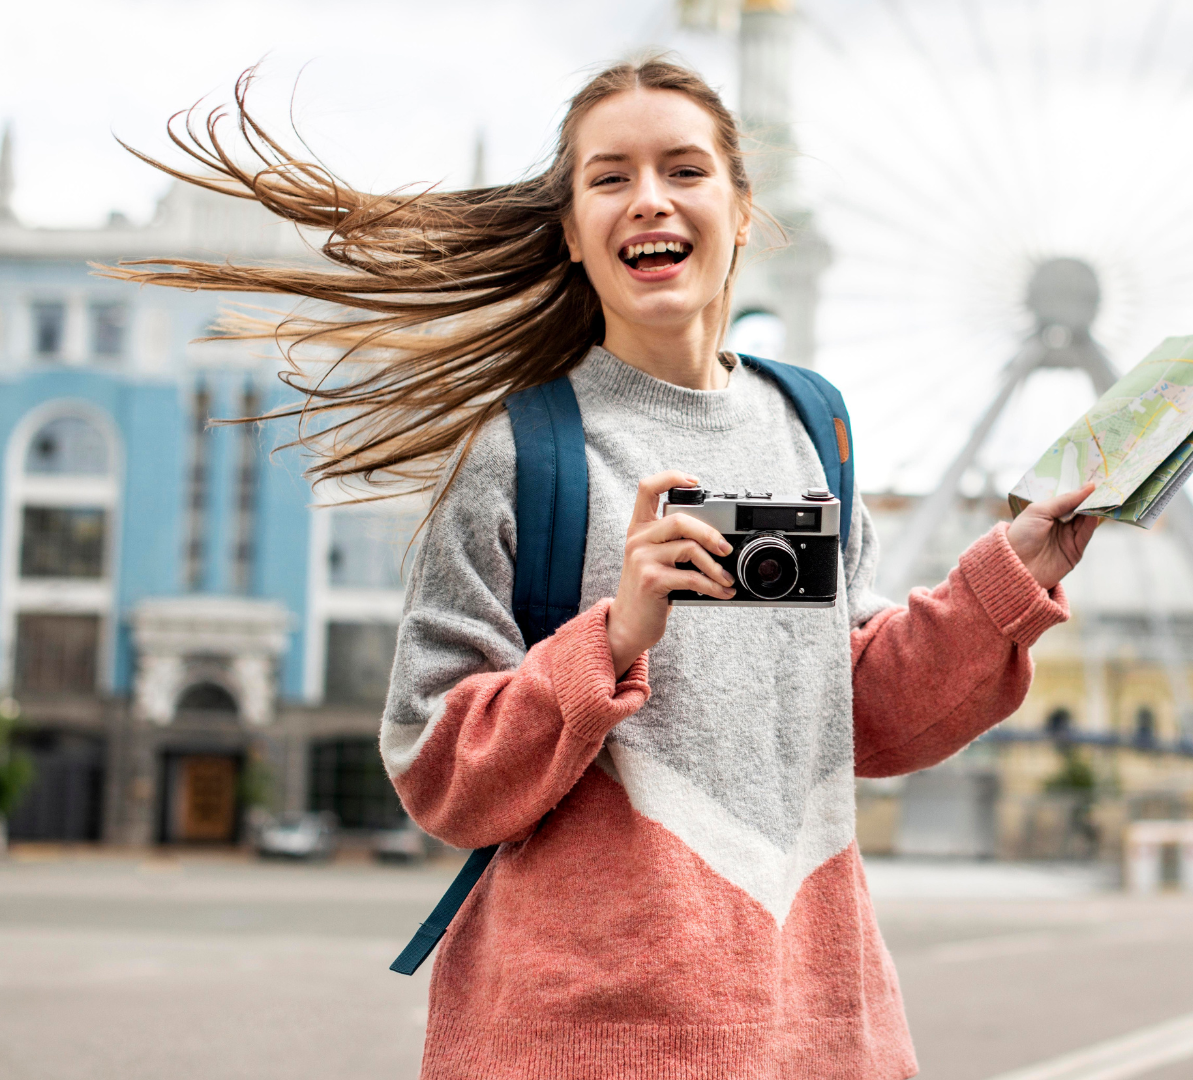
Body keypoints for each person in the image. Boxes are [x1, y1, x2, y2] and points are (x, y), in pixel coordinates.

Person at [110, 57, 1100, 1079]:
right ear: (574, 232)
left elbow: (861, 708)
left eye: (684, 169)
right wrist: (613, 638)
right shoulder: (522, 451)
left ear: (742, 209)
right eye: (610, 177)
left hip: (816, 1025)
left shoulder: (816, 425)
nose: (650, 200)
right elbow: (431, 763)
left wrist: (1007, 579)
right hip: (588, 1038)